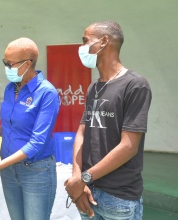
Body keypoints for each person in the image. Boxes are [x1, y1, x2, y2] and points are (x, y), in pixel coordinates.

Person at [64, 21, 152, 219]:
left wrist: (85, 177)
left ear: (104, 41)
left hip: (118, 197)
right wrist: (78, 178)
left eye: (85, 41)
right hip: (87, 192)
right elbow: (82, 132)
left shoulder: (135, 85)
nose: (81, 48)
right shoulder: (93, 88)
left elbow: (129, 146)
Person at [0, 37, 60, 220]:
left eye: (10, 63)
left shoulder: (46, 92)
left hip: (35, 170)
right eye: (5, 62)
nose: (7, 68)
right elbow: (14, 127)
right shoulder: (11, 89)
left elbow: (37, 142)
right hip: (9, 170)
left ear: (28, 63)